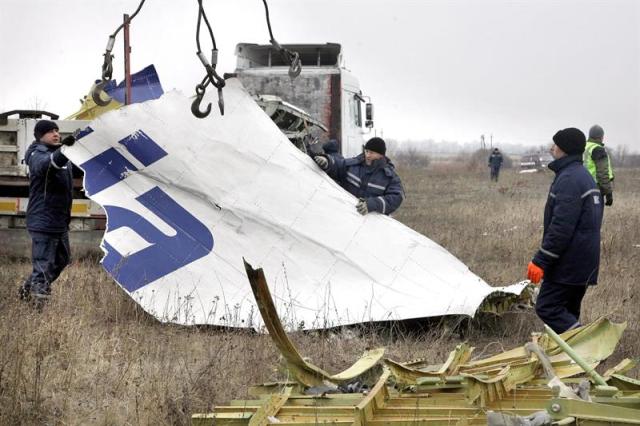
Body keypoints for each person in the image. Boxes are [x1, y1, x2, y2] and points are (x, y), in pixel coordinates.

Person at [526, 128, 603, 334]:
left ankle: (587, 346)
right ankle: (573, 362)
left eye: (556, 145)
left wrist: (540, 261)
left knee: (547, 307)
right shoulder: (584, 176)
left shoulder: (569, 179)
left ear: (565, 149)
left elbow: (561, 228)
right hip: (585, 262)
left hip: (569, 264)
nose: (552, 148)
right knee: (568, 311)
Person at [18, 120, 77, 306]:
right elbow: (47, 166)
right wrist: (64, 150)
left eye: (57, 131)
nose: (56, 134)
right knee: (43, 266)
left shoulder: (60, 155)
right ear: (40, 135)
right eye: (51, 131)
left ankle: (27, 290)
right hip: (43, 221)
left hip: (59, 222)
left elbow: (81, 167)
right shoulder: (36, 154)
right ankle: (37, 308)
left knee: (61, 260)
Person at [313, 137, 404, 215]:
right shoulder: (353, 164)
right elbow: (338, 165)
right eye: (366, 151)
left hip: (366, 225)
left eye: (371, 153)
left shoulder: (389, 177)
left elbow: (396, 198)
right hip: (342, 214)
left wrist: (372, 204)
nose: (367, 155)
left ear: (381, 155)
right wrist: (326, 161)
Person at [584, 124, 614, 207]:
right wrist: (608, 193)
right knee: (594, 217)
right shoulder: (598, 149)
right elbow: (602, 172)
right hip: (595, 187)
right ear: (601, 137)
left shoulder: (583, 147)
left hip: (582, 186)